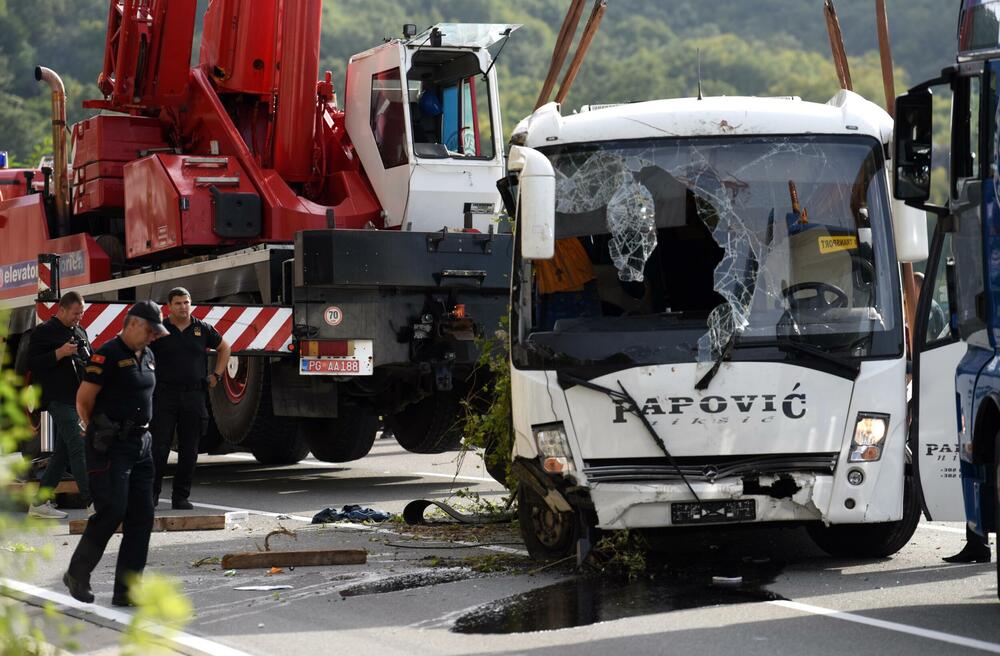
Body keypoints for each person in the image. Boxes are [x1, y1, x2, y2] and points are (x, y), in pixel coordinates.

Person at [63, 301, 167, 606]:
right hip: (111, 445)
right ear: (133, 324)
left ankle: (126, 590)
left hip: (141, 442)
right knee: (112, 510)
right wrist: (96, 428)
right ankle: (77, 573)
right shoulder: (107, 354)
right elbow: (83, 399)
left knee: (142, 516)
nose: (152, 337)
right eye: (149, 330)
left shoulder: (147, 355)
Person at [150, 288, 230, 510]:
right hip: (165, 396)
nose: (183, 307)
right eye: (178, 303)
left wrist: (217, 375)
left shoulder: (201, 328)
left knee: (189, 449)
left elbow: (225, 348)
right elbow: (140, 352)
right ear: (169, 306)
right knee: (159, 448)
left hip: (194, 396)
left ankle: (181, 497)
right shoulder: (159, 330)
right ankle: (151, 495)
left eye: (186, 302)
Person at [25, 291, 92, 518]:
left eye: (81, 313)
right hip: (58, 399)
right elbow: (31, 363)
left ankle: (39, 503)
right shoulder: (44, 332)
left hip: (78, 398)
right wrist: (59, 353)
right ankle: (92, 502)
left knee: (63, 453)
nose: (79, 318)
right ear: (61, 310)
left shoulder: (79, 331)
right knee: (79, 447)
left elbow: (89, 359)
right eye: (75, 313)